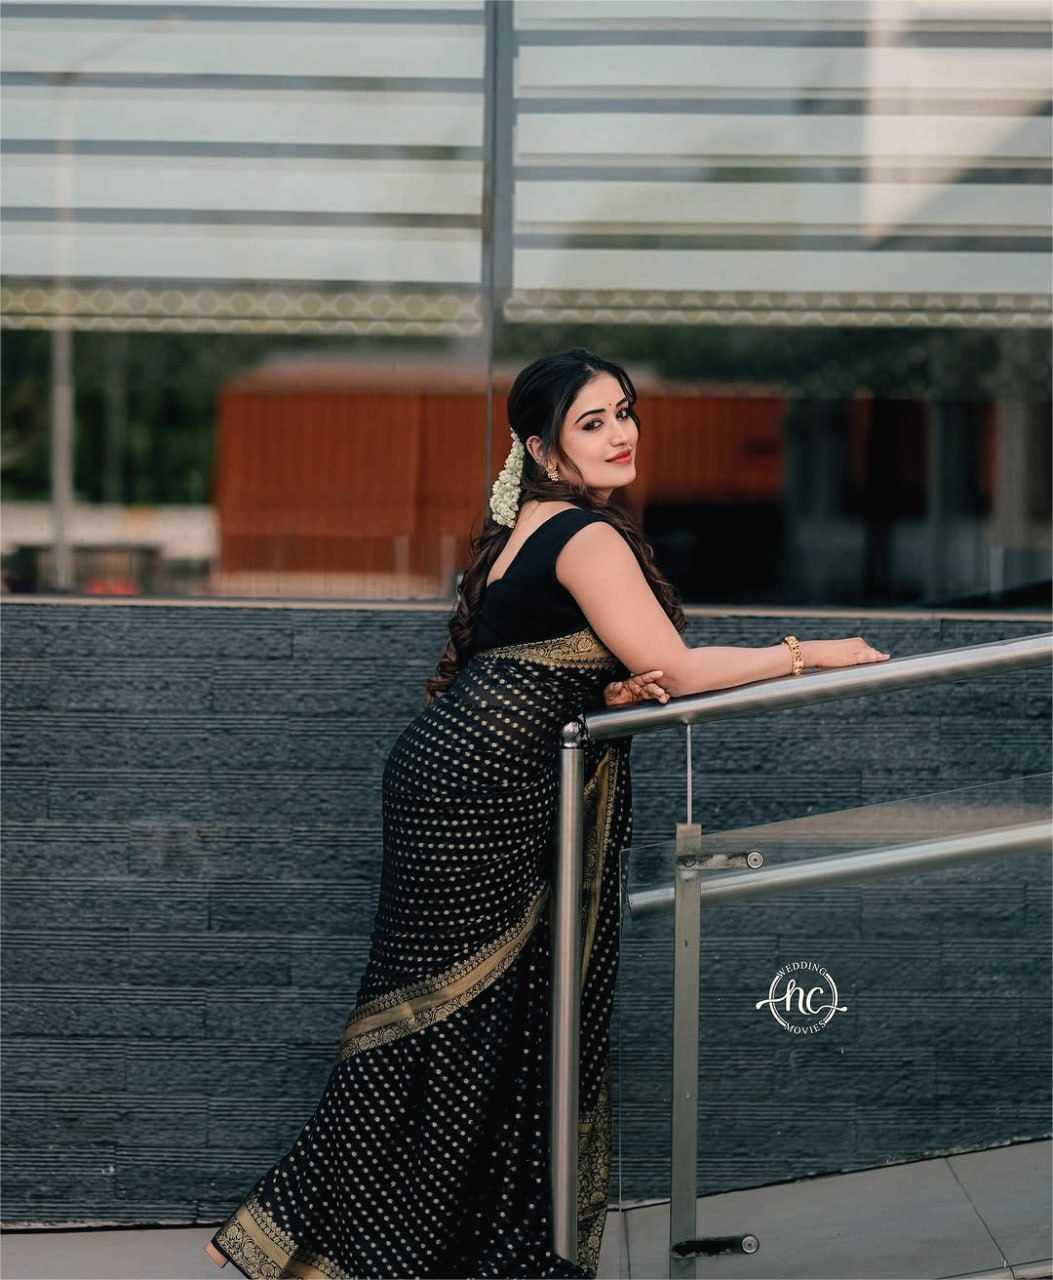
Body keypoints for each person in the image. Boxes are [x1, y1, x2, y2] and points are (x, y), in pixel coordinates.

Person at [204, 348, 889, 1279]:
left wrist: (606, 692)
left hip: (455, 776)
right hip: (485, 788)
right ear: (540, 447)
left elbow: (548, 661)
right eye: (591, 423)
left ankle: (365, 1245)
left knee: (453, 1017)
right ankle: (361, 1245)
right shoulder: (586, 535)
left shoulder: (526, 527)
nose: (619, 434)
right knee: (459, 1019)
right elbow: (678, 668)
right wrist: (813, 652)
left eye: (624, 412)